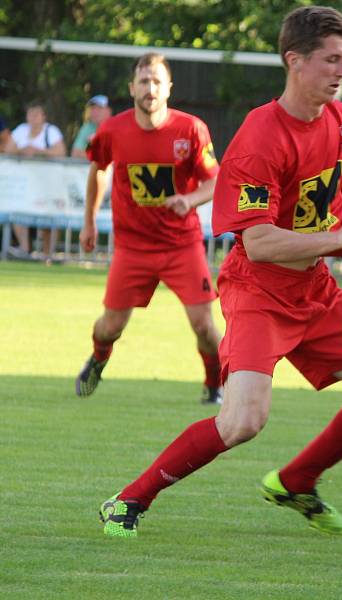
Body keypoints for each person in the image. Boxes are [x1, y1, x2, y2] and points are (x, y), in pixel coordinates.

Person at [97, 6, 342, 538]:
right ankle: (128, 500)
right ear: (295, 60)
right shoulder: (261, 135)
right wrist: (338, 239)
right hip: (258, 291)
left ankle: (297, 480)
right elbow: (260, 243)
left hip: (314, 291)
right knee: (243, 421)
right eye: (331, 59)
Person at [76, 53, 224, 406]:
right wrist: (89, 220)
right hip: (133, 246)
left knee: (204, 325)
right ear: (132, 88)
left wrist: (188, 201)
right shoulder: (112, 130)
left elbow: (216, 181)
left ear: (169, 87)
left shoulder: (191, 129)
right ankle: (98, 357)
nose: (150, 88)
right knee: (110, 327)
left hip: (181, 244)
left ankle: (214, 384)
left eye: (157, 81)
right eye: (144, 81)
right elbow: (98, 169)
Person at [5, 101, 67, 257]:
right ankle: (25, 249)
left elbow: (60, 151)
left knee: (48, 218)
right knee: (18, 212)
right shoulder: (21, 130)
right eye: (30, 114)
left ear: (44, 116)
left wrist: (39, 152)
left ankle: (48, 254)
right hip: (24, 183)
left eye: (36, 114)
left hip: (47, 183)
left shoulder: (51, 131)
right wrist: (22, 151)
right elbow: (8, 150)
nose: (33, 117)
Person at [71, 94, 112, 159]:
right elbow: (75, 153)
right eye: (93, 108)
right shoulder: (87, 127)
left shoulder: (119, 127)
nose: (95, 112)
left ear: (109, 110)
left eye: (99, 108)